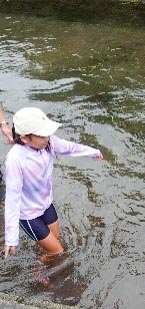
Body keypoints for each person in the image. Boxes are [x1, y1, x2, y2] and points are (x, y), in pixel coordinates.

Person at [4, 107, 103, 260]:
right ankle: (39, 272)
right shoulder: (15, 159)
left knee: (57, 239)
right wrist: (11, 238)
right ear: (24, 138)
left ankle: (41, 260)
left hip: (46, 204)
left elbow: (70, 148)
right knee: (57, 251)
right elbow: (12, 197)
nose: (47, 137)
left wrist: (93, 152)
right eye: (42, 135)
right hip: (29, 215)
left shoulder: (48, 143)